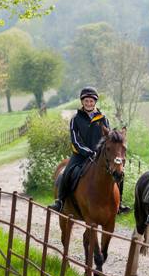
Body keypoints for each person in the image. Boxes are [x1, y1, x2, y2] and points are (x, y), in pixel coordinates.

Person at [49, 86, 130, 214]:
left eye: (91, 101)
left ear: (95, 102)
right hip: (80, 155)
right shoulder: (75, 119)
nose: (88, 103)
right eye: (86, 101)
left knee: (118, 172)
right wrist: (88, 152)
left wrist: (100, 153)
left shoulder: (103, 118)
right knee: (66, 173)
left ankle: (119, 203)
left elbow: (107, 138)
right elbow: (75, 141)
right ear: (82, 102)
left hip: (99, 156)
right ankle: (60, 201)